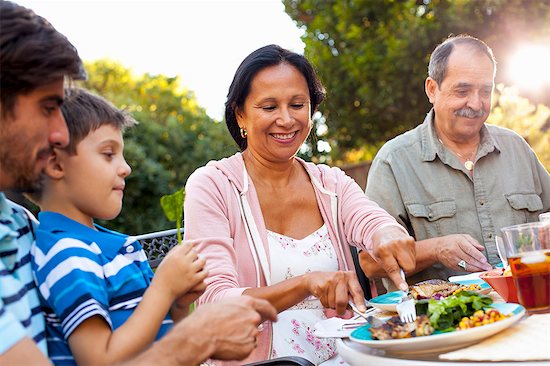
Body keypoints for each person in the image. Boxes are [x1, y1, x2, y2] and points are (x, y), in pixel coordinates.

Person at [0, 1, 276, 365]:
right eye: (47, 107)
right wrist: (191, 330)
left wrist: (178, 307)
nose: (57, 134)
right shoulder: (63, 249)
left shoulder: (22, 227)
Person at [183, 44, 416, 365]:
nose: (286, 119)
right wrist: (305, 284)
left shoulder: (330, 182)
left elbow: (369, 219)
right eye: (268, 106)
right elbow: (215, 300)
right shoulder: (213, 185)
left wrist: (387, 233)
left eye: (297, 104)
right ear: (240, 114)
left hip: (350, 356)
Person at [26, 87, 209, 365]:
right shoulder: (67, 254)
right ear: (56, 165)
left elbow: (164, 341)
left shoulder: (110, 246)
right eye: (108, 154)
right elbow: (100, 359)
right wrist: (164, 289)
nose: (125, 168)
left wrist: (178, 305)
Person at [361, 34, 550, 292]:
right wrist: (436, 249)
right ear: (431, 89)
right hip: (445, 324)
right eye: (462, 91)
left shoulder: (516, 148)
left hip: (529, 305)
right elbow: (370, 263)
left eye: (485, 91)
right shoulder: (394, 161)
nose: (475, 103)